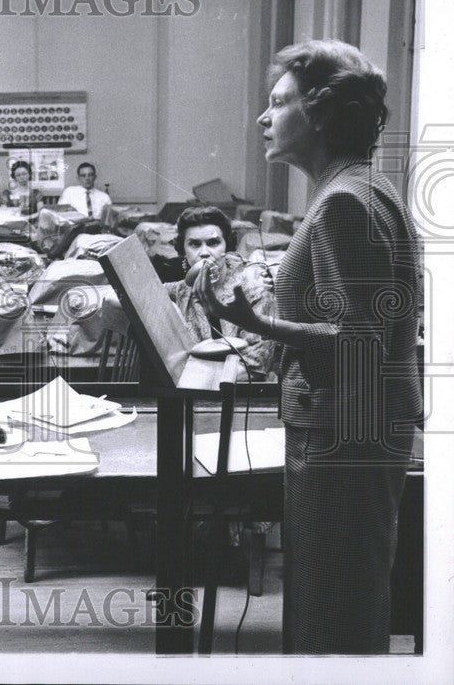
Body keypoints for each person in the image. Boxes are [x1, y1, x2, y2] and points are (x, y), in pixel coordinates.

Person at [196, 40, 422, 654]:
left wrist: (254, 321)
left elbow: (359, 345)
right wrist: (270, 303)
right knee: (344, 597)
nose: (264, 119)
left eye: (278, 104)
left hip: (343, 431)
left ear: (320, 113)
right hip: (356, 425)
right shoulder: (358, 188)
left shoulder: (341, 201)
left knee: (332, 608)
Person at [165, 206, 276, 380]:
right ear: (183, 249)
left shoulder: (255, 288)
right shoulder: (180, 290)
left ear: (227, 245)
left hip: (246, 395)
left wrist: (198, 381)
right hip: (193, 393)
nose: (204, 253)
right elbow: (128, 294)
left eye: (213, 243)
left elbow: (256, 365)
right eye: (194, 244)